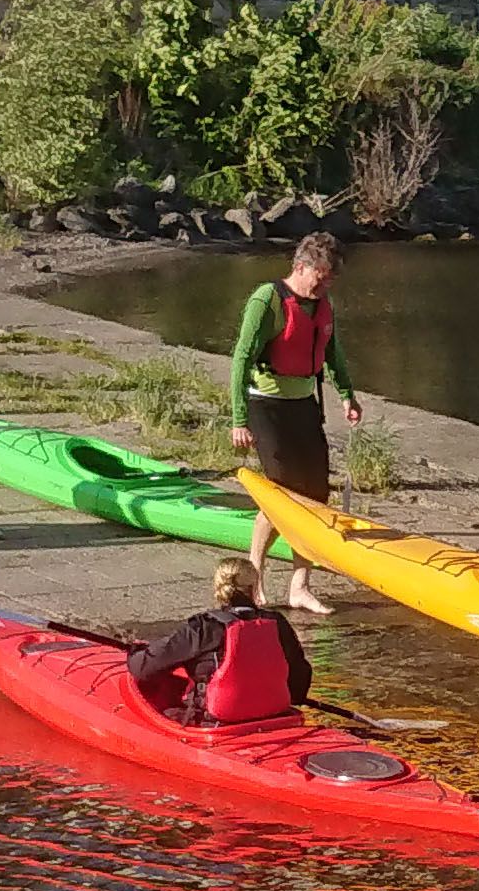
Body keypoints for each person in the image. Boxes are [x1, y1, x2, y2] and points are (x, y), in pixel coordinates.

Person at [226, 231, 362, 615]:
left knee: (316, 495)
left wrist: (347, 393)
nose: (325, 285)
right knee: (281, 493)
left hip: (303, 403)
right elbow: (241, 359)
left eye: (331, 280)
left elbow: (332, 353)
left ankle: (300, 586)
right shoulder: (266, 300)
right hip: (266, 406)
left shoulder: (322, 305)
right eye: (320, 277)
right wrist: (239, 419)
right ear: (299, 267)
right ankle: (254, 577)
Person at [128, 557, 308, 725]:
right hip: (273, 716)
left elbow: (142, 668)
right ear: (254, 587)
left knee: (165, 700)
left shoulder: (204, 627)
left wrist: (134, 651)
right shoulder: (277, 623)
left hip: (216, 722)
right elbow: (300, 682)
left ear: (218, 588)